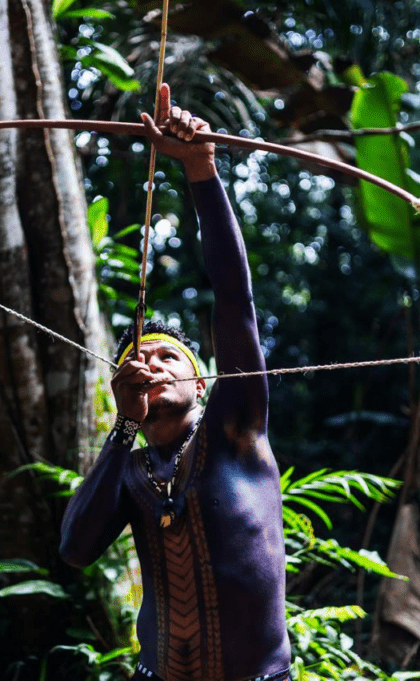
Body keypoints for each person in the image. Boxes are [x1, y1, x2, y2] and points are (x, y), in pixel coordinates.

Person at [60, 83, 290, 681]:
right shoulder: (135, 467)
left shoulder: (235, 428)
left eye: (169, 357)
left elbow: (235, 301)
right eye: (141, 359)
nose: (154, 364)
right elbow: (76, 549)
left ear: (204, 379)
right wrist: (125, 427)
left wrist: (199, 169)